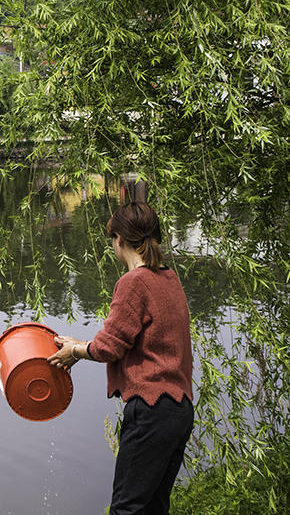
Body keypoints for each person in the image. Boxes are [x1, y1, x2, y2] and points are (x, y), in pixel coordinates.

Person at [47, 201, 194, 515]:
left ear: (119, 240)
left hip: (151, 409)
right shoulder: (169, 278)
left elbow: (109, 347)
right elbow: (128, 340)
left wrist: (75, 350)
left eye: (112, 240)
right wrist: (81, 345)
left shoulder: (133, 282)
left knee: (126, 509)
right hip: (179, 410)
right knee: (153, 507)